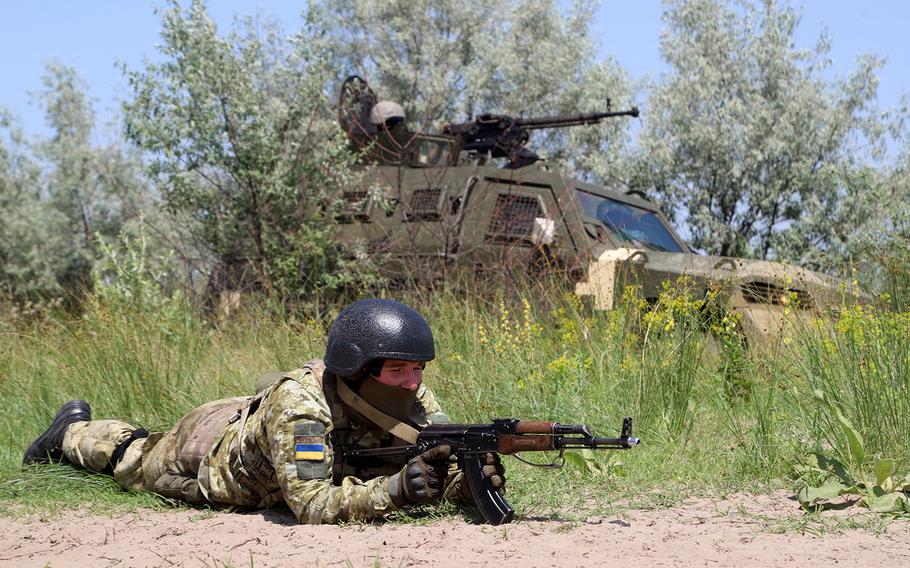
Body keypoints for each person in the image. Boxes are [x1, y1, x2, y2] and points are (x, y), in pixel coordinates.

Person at [23, 299, 505, 523]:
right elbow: (311, 504)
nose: (414, 380)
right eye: (399, 369)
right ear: (357, 369)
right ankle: (67, 433)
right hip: (208, 458)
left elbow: (433, 452)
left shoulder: (411, 394)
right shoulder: (301, 407)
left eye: (419, 368)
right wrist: (396, 491)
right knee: (135, 454)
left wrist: (467, 476)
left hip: (260, 429)